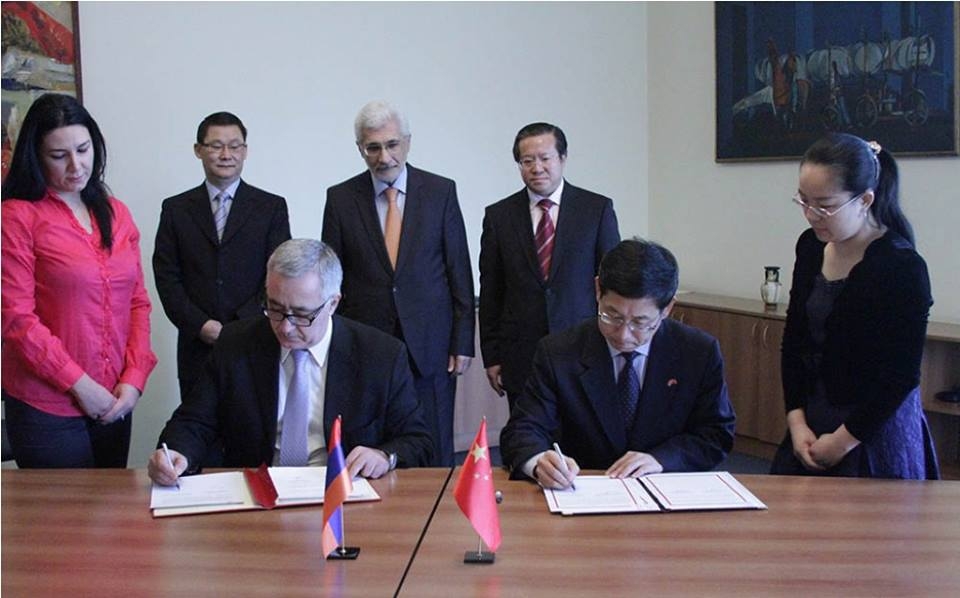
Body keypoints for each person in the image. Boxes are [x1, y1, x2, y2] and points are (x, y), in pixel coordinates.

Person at [148, 239, 432, 485]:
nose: (285, 327)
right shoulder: (236, 344)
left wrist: (383, 456)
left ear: (333, 303)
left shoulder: (380, 355)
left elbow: (417, 440)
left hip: (342, 498)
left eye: (301, 314)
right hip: (257, 496)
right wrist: (176, 453)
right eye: (274, 308)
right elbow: (194, 421)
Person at [500, 239, 735, 490]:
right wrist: (539, 462)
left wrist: (661, 459)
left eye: (640, 322)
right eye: (612, 316)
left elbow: (716, 434)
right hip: (582, 492)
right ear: (597, 290)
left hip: (666, 490)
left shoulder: (698, 352)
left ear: (667, 308)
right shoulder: (559, 352)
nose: (623, 335)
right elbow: (522, 429)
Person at [1, 93, 157, 468]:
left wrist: (134, 378)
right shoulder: (16, 217)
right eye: (59, 155)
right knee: (66, 508)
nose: (76, 166)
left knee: (113, 502)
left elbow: (137, 303)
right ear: (36, 157)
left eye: (83, 150)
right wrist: (81, 386)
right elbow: (16, 319)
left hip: (115, 398)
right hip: (46, 405)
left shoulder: (116, 213)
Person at [772, 133, 939, 479]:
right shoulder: (810, 247)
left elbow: (901, 375)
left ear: (864, 200)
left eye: (825, 205)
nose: (811, 215)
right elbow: (794, 341)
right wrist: (796, 420)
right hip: (814, 420)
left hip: (873, 429)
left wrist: (843, 441)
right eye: (803, 201)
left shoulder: (902, 265)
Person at [322, 101, 474, 467]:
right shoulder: (341, 199)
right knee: (370, 444)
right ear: (360, 149)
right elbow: (331, 277)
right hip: (366, 342)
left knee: (434, 442)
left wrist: (463, 340)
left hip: (431, 343)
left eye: (391, 144)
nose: (384, 157)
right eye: (373, 147)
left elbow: (459, 270)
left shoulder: (440, 192)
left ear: (407, 142)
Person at [479, 122, 620, 411]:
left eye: (545, 158)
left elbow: (612, 284)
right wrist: (492, 356)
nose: (537, 168)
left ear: (563, 158)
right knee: (526, 430)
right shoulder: (499, 216)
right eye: (527, 161)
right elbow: (492, 291)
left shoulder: (596, 210)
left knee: (583, 429)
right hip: (521, 353)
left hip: (584, 348)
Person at [153, 111, 290, 402]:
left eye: (234, 146)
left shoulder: (271, 208)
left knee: (253, 424)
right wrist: (201, 325)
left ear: (245, 151)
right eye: (216, 146)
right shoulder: (176, 209)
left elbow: (279, 275)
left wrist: (239, 326)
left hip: (255, 338)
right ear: (198, 150)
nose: (226, 154)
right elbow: (167, 278)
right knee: (197, 421)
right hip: (196, 345)